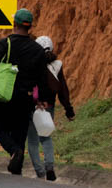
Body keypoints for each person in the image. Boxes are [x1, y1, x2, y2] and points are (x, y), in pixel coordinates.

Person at [0, 9, 50, 175]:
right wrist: (42, 98)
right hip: (26, 98)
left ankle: (14, 151)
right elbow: (42, 77)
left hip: (5, 96)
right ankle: (17, 169)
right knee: (20, 132)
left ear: (14, 25)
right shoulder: (37, 49)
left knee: (0, 128)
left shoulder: (4, 44)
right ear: (29, 27)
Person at [25, 35, 75, 180]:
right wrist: (69, 110)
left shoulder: (32, 64)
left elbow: (28, 86)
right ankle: (50, 168)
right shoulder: (57, 65)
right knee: (46, 137)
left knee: (33, 141)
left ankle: (40, 172)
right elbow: (63, 90)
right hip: (49, 107)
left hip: (34, 107)